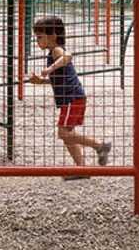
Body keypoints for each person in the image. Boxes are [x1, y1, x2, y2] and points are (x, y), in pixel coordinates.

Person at [28, 16, 112, 179]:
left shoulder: (57, 51)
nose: (37, 41)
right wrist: (41, 81)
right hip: (72, 97)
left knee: (63, 133)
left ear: (53, 36)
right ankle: (82, 170)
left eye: (40, 37)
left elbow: (68, 56)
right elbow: (59, 80)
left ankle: (100, 146)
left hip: (72, 98)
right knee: (68, 135)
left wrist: (50, 69)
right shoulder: (52, 53)